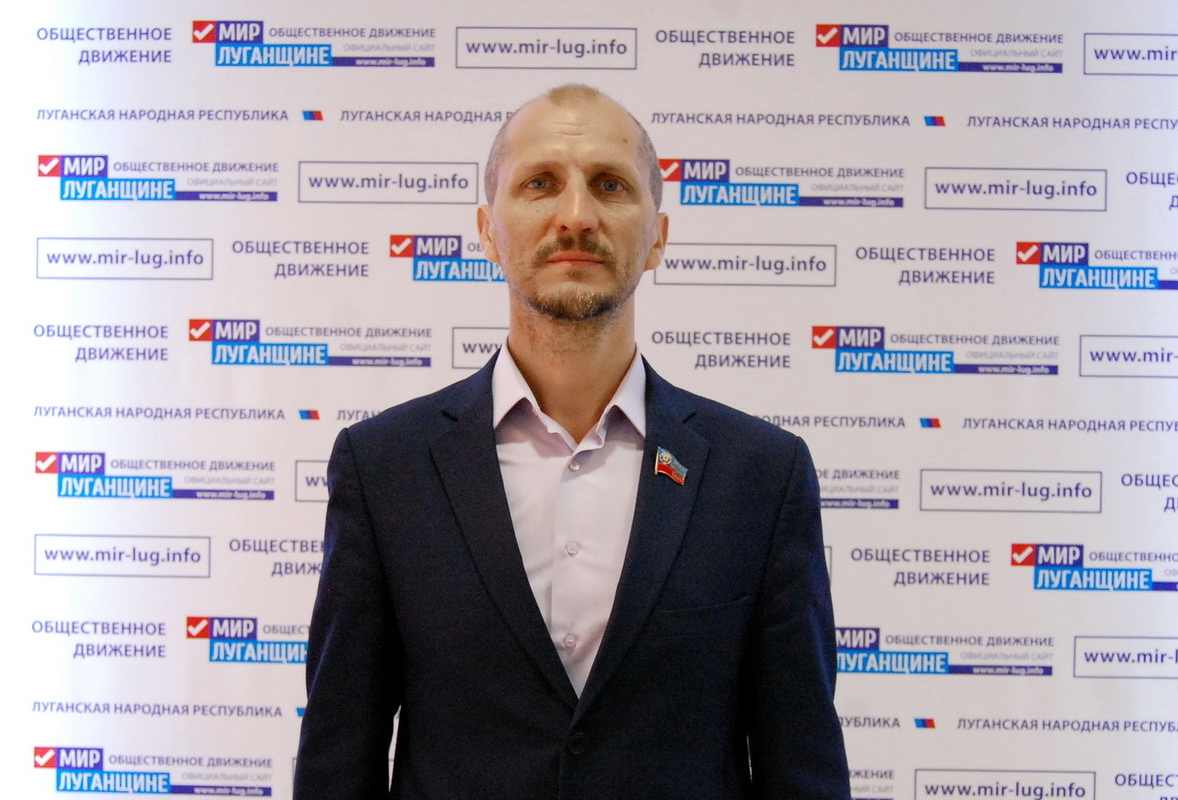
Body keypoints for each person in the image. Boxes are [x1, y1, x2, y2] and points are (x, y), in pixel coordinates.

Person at [294, 84, 849, 800]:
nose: (577, 216)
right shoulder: (385, 469)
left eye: (610, 185)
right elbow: (339, 760)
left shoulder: (760, 478)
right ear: (488, 232)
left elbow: (802, 766)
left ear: (658, 237)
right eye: (540, 184)